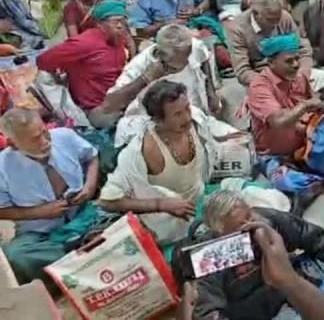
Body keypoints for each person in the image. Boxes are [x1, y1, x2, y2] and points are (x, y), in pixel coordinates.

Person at [98, 81, 240, 242]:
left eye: (187, 108)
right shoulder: (140, 151)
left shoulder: (195, 120)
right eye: (177, 114)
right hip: (169, 230)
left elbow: (211, 127)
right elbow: (107, 202)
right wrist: (161, 205)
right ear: (158, 120)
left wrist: (233, 136)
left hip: (201, 205)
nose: (187, 117)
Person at [191, 190, 324, 319]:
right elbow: (208, 312)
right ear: (220, 234)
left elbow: (314, 239)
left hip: (293, 291)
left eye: (249, 216)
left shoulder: (267, 220)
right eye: (240, 226)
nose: (250, 225)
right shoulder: (211, 255)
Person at [0, 109, 99, 285]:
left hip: (84, 215)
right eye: (35, 139)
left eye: (44, 132)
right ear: (13, 144)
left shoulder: (64, 136)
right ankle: (79, 258)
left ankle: (72, 262)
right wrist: (40, 212)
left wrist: (89, 186)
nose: (45, 141)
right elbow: (2, 210)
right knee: (15, 255)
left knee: (115, 212)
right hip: (43, 234)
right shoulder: (2, 167)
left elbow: (91, 157)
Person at [106, 24, 222, 145]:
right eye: (174, 68)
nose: (187, 63)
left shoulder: (193, 46)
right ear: (161, 56)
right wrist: (145, 79)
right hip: (156, 126)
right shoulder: (140, 66)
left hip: (195, 116)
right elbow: (110, 104)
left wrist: (211, 92)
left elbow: (203, 58)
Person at [224, 0, 324, 99]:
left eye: (278, 18)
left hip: (293, 72)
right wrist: (273, 82)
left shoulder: (284, 17)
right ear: (255, 14)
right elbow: (243, 71)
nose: (276, 24)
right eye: (270, 20)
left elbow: (303, 48)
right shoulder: (237, 28)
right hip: (262, 78)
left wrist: (303, 72)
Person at [246, 33, 324, 157]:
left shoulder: (299, 77)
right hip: (277, 155)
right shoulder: (259, 87)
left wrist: (322, 108)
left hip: (306, 145)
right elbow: (279, 121)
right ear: (271, 62)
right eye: (289, 61)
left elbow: (313, 105)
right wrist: (305, 106)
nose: (296, 64)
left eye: (297, 59)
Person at [36, 0, 132, 121]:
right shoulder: (85, 43)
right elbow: (43, 60)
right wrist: (63, 76)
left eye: (123, 22)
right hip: (96, 108)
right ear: (100, 24)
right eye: (116, 22)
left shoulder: (118, 39)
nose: (120, 26)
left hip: (118, 97)